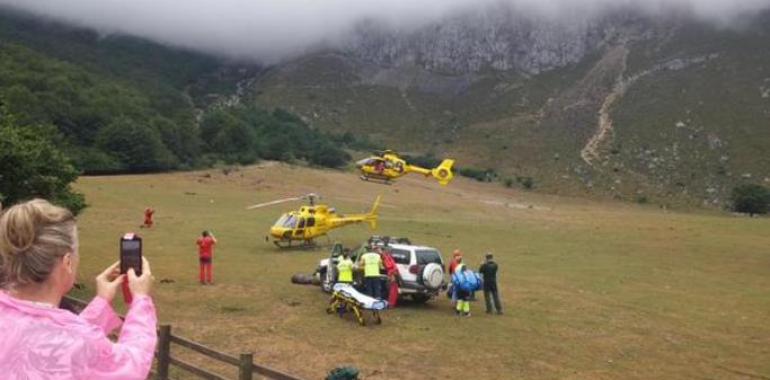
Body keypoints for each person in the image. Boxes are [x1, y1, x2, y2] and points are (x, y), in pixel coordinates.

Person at [0, 198, 157, 380]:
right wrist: (141, 300)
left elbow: (53, 334)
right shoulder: (78, 341)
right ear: (67, 262)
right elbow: (132, 364)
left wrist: (101, 302)